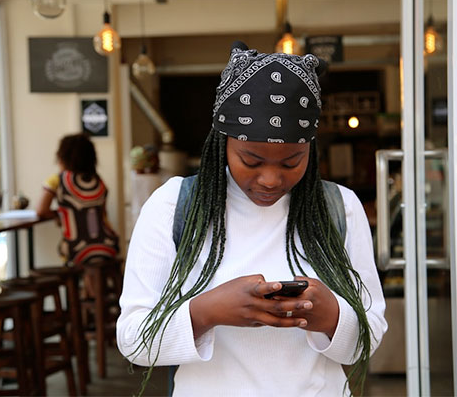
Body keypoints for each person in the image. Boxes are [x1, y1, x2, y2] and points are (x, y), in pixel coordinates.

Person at [117, 42, 387, 397]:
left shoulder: (339, 207)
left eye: (292, 162)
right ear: (222, 142)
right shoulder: (173, 206)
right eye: (252, 160)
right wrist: (207, 311)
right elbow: (134, 340)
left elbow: (370, 335)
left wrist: (332, 315)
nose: (271, 179)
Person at [36, 133, 119, 292]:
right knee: (93, 265)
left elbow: (41, 210)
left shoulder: (57, 180)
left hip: (76, 248)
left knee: (81, 259)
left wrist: (59, 214)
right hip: (108, 245)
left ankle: (90, 303)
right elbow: (103, 215)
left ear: (62, 158)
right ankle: (97, 303)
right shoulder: (98, 181)